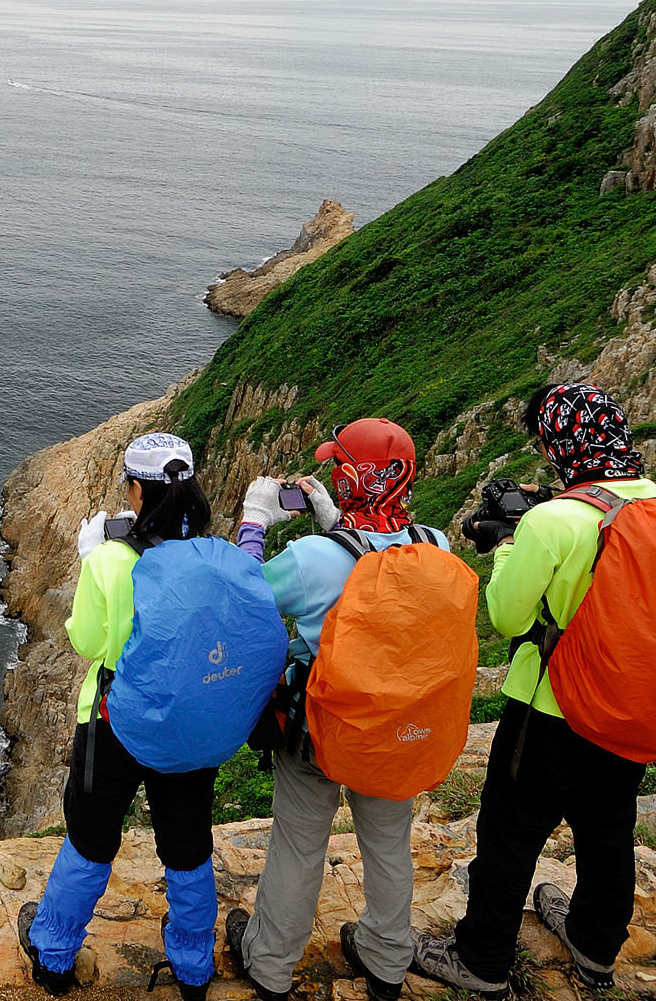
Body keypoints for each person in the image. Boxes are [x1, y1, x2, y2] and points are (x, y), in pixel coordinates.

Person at [411, 383, 656, 996]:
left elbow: (506, 614)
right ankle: (595, 946)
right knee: (608, 829)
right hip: (634, 705)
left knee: (510, 831)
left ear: (558, 444)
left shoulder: (554, 522)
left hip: (553, 709)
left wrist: (507, 543)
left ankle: (481, 960)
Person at [21, 432, 286, 1001]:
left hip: (117, 724)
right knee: (188, 845)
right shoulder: (218, 558)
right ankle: (192, 966)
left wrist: (90, 559)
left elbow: (88, 642)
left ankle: (53, 955)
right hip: (192, 727)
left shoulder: (112, 560)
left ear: (136, 491)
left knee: (91, 839)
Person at [223, 418, 457, 1001]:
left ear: (351, 479)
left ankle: (270, 964)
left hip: (321, 731)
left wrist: (255, 520)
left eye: (337, 468)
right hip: (398, 726)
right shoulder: (435, 544)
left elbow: (241, 594)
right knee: (388, 844)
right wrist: (337, 522)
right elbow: (377, 573)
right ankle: (386, 959)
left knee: (300, 845)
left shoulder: (312, 559)